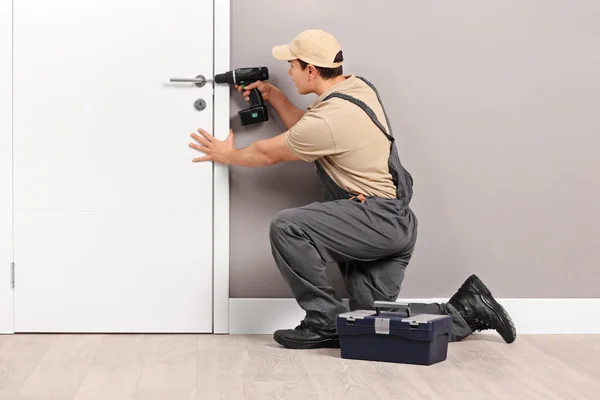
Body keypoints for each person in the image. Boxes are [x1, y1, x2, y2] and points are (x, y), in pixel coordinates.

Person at [189, 29, 517, 349]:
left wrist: (228, 154)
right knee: (368, 325)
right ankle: (467, 309)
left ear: (311, 69)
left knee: (287, 227)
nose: (288, 71)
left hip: (376, 220)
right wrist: (274, 96)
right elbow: (310, 129)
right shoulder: (356, 88)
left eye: (293, 64)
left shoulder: (330, 119)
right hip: (390, 221)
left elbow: (269, 152)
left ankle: (323, 322)